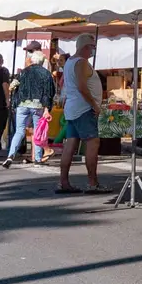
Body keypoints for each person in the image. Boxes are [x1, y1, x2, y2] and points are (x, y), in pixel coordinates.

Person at [55, 33, 104, 194]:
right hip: (84, 109)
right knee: (92, 142)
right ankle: (92, 183)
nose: (94, 50)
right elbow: (82, 87)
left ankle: (63, 182)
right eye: (93, 47)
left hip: (73, 108)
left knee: (70, 144)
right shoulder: (81, 62)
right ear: (85, 47)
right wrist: (94, 105)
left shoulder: (70, 61)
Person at [4, 44, 54, 168]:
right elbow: (49, 92)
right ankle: (37, 158)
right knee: (37, 131)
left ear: (32, 60)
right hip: (37, 106)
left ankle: (10, 155)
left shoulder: (23, 72)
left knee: (19, 131)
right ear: (42, 61)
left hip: (22, 105)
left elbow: (12, 86)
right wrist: (47, 108)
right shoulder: (46, 74)